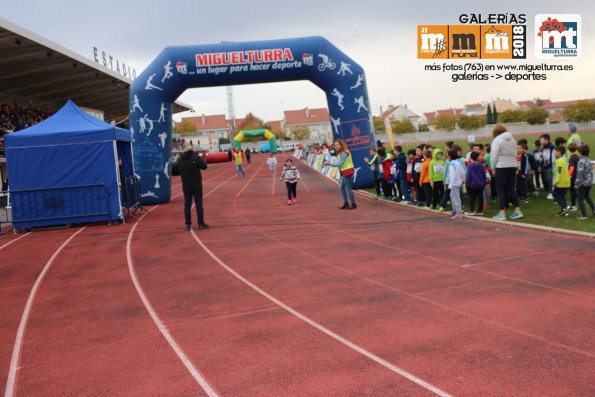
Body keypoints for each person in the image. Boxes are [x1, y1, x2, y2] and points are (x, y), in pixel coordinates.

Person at [490, 124, 523, 220]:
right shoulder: (513, 140)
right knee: (512, 188)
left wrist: (493, 168)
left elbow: (494, 155)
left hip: (501, 166)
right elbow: (515, 154)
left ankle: (502, 212)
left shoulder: (497, 140)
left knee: (500, 189)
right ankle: (517, 210)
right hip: (513, 165)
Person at [177, 145, 209, 231]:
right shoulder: (196, 158)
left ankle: (187, 225)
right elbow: (204, 167)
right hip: (196, 185)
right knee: (199, 205)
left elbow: (176, 169)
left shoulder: (179, 159)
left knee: (187, 206)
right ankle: (200, 224)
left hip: (186, 185)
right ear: (192, 150)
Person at [324, 139, 357, 209]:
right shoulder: (340, 153)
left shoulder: (344, 153)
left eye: (337, 145)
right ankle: (346, 202)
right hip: (343, 171)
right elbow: (337, 161)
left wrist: (329, 163)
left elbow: (339, 163)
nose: (336, 146)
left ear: (341, 145)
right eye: (335, 145)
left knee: (348, 188)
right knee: (342, 187)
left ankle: (353, 203)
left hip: (347, 171)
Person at [575, 145, 594, 220]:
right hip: (589, 182)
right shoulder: (588, 160)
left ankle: (584, 215)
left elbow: (580, 173)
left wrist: (576, 183)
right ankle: (594, 210)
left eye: (578, 151)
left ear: (580, 153)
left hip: (583, 183)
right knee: (587, 196)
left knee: (580, 199)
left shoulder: (581, 162)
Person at [465, 151, 486, 216]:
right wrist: (483, 182)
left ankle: (472, 210)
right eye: (479, 156)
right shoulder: (481, 166)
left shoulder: (470, 166)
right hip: (480, 184)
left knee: (472, 198)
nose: (480, 157)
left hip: (473, 185)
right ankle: (480, 210)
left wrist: (468, 184)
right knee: (480, 198)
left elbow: (468, 176)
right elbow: (484, 175)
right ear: (476, 157)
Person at [552, 146, 571, 216]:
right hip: (566, 181)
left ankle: (565, 207)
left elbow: (559, 173)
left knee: (555, 194)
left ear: (559, 153)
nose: (554, 153)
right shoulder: (563, 159)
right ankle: (565, 211)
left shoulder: (559, 161)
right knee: (562, 196)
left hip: (561, 182)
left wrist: (555, 182)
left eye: (555, 151)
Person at [447, 149, 465, 219]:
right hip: (458, 183)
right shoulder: (458, 163)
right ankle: (455, 211)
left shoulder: (451, 165)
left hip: (454, 184)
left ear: (450, 156)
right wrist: (463, 180)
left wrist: (450, 186)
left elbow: (452, 177)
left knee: (456, 198)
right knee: (453, 197)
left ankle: (458, 213)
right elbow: (463, 172)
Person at [539, 133, 555, 199]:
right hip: (545, 167)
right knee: (547, 180)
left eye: (542, 139)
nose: (540, 141)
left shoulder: (551, 147)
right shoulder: (543, 147)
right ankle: (551, 192)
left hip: (550, 167)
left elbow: (553, 157)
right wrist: (540, 166)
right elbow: (542, 157)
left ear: (546, 139)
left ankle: (552, 193)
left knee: (550, 180)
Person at [567, 143, 579, 211]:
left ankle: (573, 206)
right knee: (576, 190)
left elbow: (571, 168)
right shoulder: (577, 157)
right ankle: (581, 200)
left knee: (572, 191)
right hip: (577, 176)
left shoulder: (572, 158)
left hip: (573, 177)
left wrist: (569, 176)